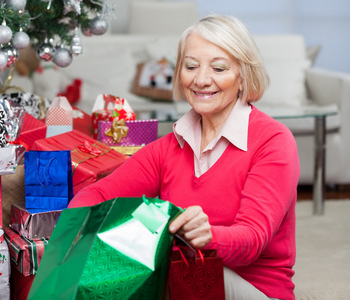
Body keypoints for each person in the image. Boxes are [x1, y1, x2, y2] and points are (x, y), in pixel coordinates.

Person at [68, 15, 300, 300]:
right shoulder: (167, 148)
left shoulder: (273, 141)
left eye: (218, 67)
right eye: (191, 66)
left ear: (243, 76)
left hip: (254, 288)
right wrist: (77, 225)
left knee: (172, 271)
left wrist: (209, 237)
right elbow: (99, 194)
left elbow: (252, 240)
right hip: (185, 280)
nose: (201, 80)